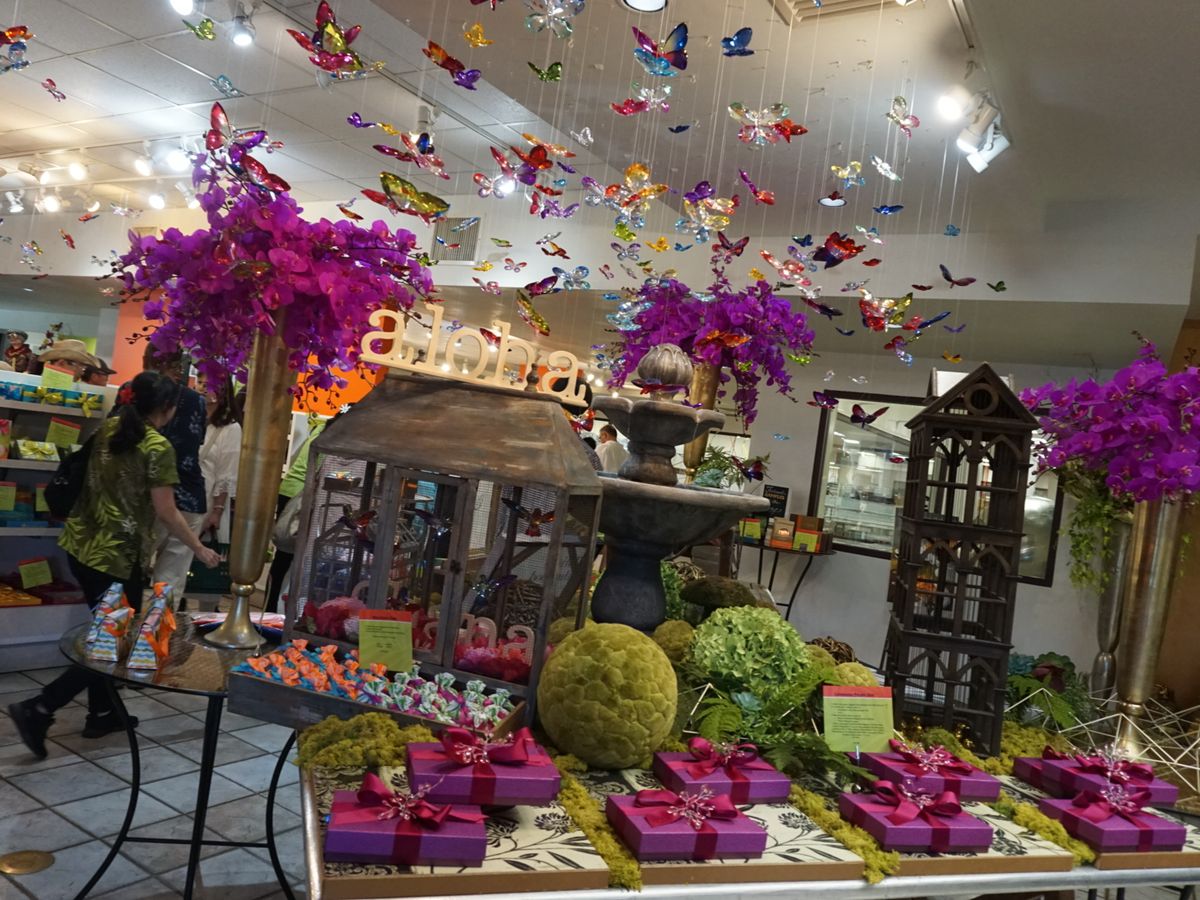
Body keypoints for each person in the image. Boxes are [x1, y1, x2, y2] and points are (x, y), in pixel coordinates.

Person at [7, 372, 220, 758]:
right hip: (116, 559)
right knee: (114, 643)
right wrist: (199, 548)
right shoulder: (157, 446)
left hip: (81, 546)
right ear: (167, 408)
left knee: (106, 634)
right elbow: (167, 511)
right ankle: (39, 708)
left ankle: (102, 713)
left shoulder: (109, 429)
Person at [141, 346, 207, 609]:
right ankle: (156, 632)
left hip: (149, 497)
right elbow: (197, 441)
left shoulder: (137, 393)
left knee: (130, 571)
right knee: (170, 581)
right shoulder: (195, 400)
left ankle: (118, 630)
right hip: (190, 496)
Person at [262, 415, 328, 614]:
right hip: (299, 498)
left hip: (290, 492)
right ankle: (277, 610)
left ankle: (271, 607)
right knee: (291, 557)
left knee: (283, 556)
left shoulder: (322, 427)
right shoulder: (332, 437)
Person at [197, 376, 242, 550]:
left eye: (208, 384)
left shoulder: (230, 428)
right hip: (184, 496)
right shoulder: (193, 418)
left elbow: (227, 474)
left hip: (209, 499)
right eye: (200, 383)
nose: (202, 388)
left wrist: (217, 511)